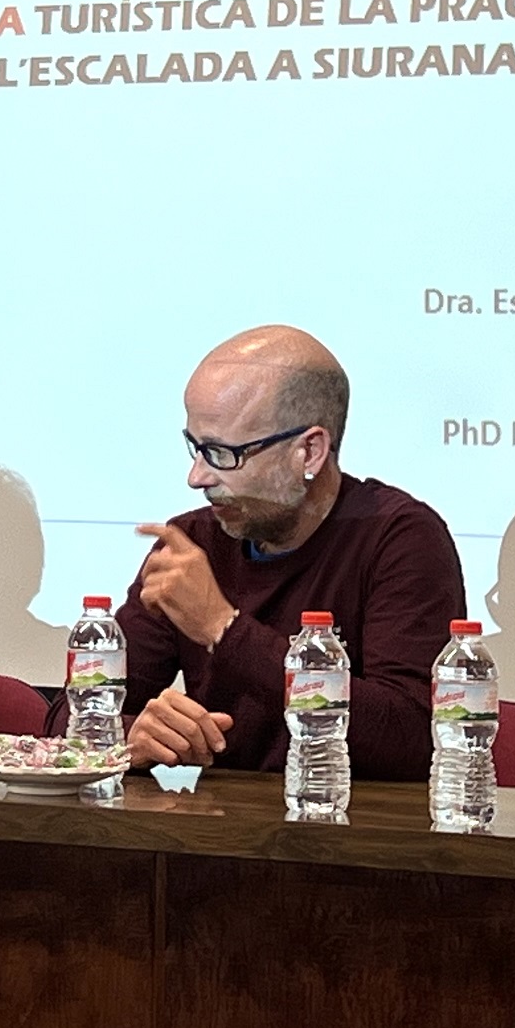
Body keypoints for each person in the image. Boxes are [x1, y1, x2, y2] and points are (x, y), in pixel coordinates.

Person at [120, 325, 464, 780]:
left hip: (349, 818)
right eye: (195, 447)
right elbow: (75, 713)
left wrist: (223, 629)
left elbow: (410, 739)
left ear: (310, 451)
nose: (197, 477)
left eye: (222, 453)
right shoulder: (193, 542)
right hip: (219, 818)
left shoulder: (399, 539)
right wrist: (130, 737)